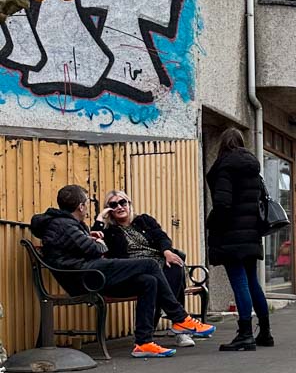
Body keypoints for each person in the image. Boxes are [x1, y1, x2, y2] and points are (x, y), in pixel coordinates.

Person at [30, 185, 212, 358]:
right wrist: (98, 240)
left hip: (89, 273)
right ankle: (180, 318)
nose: (119, 207)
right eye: (87, 203)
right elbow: (96, 250)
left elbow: (81, 246)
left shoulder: (67, 224)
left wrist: (90, 238)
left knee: (149, 280)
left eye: (123, 202)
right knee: (150, 265)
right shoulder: (65, 224)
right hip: (85, 277)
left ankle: (144, 343)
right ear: (81, 206)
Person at [97, 191, 212, 346]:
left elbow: (161, 237)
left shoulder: (144, 220)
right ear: (108, 209)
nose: (119, 207)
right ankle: (179, 322)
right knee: (154, 278)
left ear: (129, 204)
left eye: (123, 202)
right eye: (113, 205)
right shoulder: (109, 230)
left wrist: (167, 251)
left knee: (175, 266)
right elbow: (95, 240)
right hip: (133, 269)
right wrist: (100, 218)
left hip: (159, 262)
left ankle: (177, 326)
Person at [206, 127, 273, 351]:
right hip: (251, 233)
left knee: (240, 282)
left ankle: (245, 334)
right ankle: (265, 332)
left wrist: (211, 223)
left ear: (222, 145)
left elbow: (223, 203)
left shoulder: (225, 167)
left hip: (231, 235)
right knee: (252, 281)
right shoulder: (252, 168)